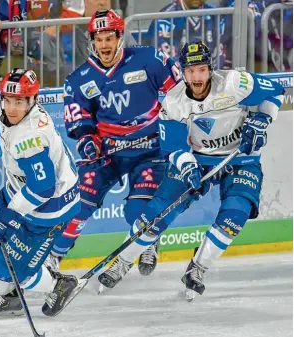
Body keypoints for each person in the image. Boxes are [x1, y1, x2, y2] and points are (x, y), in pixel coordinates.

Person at [98, 42, 285, 301]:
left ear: (210, 69)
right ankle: (123, 261)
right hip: (198, 160)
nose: (196, 77)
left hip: (242, 159)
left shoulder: (235, 83)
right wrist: (187, 167)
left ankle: (198, 268)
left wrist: (262, 119)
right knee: (158, 211)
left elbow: (275, 91)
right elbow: (173, 147)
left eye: (201, 70)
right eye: (190, 71)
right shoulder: (174, 102)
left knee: (235, 214)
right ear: (183, 73)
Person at [50, 9, 181, 277]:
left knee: (137, 209)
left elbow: (179, 93)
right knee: (79, 203)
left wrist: (173, 126)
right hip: (109, 152)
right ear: (92, 41)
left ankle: (148, 241)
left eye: (109, 38)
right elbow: (80, 120)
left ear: (120, 37)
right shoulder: (79, 79)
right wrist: (88, 141)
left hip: (150, 149)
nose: (104, 45)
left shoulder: (149, 59)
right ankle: (53, 257)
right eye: (99, 39)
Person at [0, 69, 81, 316]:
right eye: (8, 100)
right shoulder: (5, 104)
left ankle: (59, 285)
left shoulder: (31, 137)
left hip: (50, 206)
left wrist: (11, 215)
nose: (11, 108)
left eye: (19, 102)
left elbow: (43, 188)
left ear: (33, 102)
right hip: (17, 190)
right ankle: (8, 297)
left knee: (8, 268)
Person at [144, 0, 225, 69]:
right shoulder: (165, 17)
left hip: (211, 75)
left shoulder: (215, 14)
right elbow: (159, 56)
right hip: (178, 79)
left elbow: (221, 51)